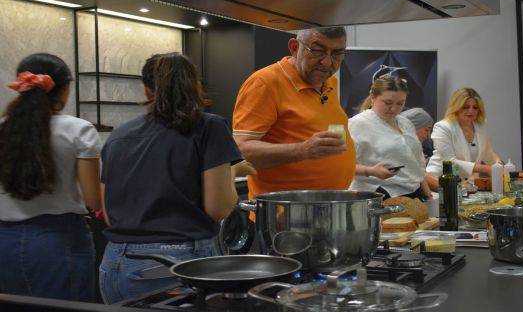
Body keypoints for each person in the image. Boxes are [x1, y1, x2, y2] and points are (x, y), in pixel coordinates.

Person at [99, 53, 240, 303]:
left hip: (115, 265)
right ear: (196, 86)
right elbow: (218, 208)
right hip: (174, 264)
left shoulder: (119, 135)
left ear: (146, 91)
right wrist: (235, 171)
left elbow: (110, 213)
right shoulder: (209, 126)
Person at [0, 53, 101, 301]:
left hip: (4, 241)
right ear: (65, 88)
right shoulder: (79, 130)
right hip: (59, 241)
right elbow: (94, 201)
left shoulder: (2, 127)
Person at [232, 27, 356, 200]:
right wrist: (303, 150)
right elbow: (240, 152)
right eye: (318, 51)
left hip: (330, 208)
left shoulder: (329, 83)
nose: (327, 62)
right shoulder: (265, 83)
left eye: (337, 53)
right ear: (294, 47)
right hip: (283, 216)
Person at [348, 76, 432, 200]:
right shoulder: (357, 124)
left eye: (400, 103)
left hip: (414, 193)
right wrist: (370, 171)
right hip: (379, 195)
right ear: (373, 97)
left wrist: (428, 196)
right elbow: (342, 166)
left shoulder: (405, 123)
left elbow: (416, 166)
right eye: (388, 103)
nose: (394, 108)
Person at [426, 87, 500, 179]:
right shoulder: (442, 127)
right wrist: (486, 169)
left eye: (475, 107)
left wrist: (502, 168)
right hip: (440, 181)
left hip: (467, 183)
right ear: (456, 107)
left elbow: (488, 154)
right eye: (466, 107)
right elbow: (450, 162)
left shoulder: (481, 125)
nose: (471, 111)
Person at [401, 107, 438, 191]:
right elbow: (420, 175)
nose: (429, 135)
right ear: (413, 127)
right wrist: (449, 186)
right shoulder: (402, 148)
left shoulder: (414, 147)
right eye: (426, 130)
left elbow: (422, 174)